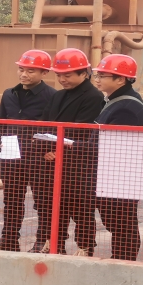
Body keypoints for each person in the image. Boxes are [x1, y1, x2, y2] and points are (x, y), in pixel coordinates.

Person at [36, 48, 104, 255]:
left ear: (84, 74)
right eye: (59, 75)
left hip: (78, 165)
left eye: (67, 75)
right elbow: (46, 124)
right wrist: (47, 149)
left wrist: (61, 152)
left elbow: (82, 130)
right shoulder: (58, 96)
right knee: (53, 206)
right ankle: (54, 243)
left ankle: (85, 247)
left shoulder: (93, 97)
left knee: (81, 208)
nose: (62, 79)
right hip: (53, 161)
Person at [0, 50, 56, 252]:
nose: (24, 74)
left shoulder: (52, 96)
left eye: (31, 71)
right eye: (21, 69)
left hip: (39, 158)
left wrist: (49, 150)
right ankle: (9, 240)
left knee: (43, 202)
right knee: (12, 200)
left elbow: (54, 126)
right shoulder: (9, 94)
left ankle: (42, 242)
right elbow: (2, 123)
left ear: (44, 73)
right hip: (11, 158)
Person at [92, 54, 143, 261]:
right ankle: (121, 258)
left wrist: (74, 146)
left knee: (121, 221)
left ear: (121, 79)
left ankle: (124, 260)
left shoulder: (127, 107)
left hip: (122, 176)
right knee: (116, 220)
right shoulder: (115, 101)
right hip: (115, 174)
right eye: (97, 75)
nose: (97, 79)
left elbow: (112, 144)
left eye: (103, 75)